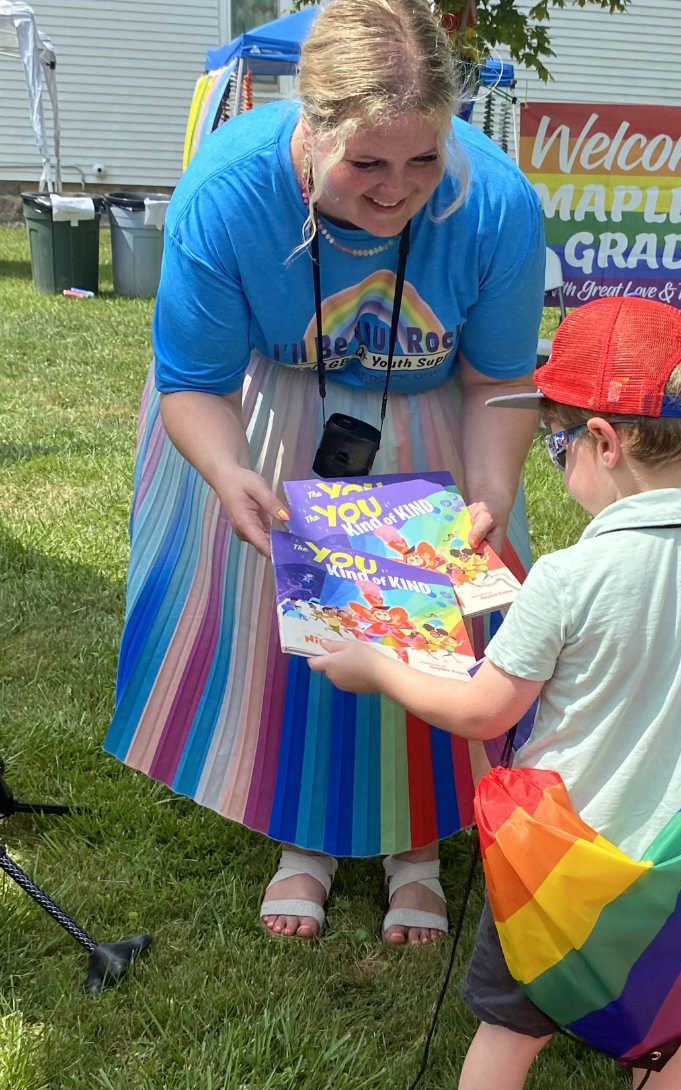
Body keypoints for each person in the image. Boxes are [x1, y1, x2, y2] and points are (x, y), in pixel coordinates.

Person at [309, 296, 681, 1090]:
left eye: (557, 449)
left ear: (603, 441)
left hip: (552, 865)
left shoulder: (569, 577)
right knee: (660, 1044)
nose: (559, 469)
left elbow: (485, 709)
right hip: (674, 876)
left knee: (509, 1030)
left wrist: (375, 663)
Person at [103, 0, 545, 947]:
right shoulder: (225, 192)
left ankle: (415, 848)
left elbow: (504, 379)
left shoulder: (498, 205)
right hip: (262, 407)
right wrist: (226, 472)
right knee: (286, 635)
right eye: (367, 164)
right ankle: (302, 837)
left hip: (431, 416)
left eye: (424, 159)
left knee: (430, 634)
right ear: (308, 125)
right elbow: (191, 383)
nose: (398, 193)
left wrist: (493, 495)